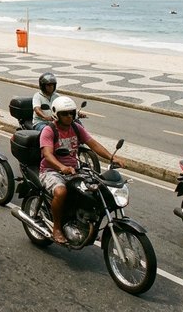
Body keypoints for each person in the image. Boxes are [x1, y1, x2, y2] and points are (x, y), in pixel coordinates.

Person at [39, 96, 124, 244]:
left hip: (73, 169)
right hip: (50, 170)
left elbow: (93, 144)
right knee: (61, 192)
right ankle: (57, 228)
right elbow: (47, 154)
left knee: (95, 189)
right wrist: (61, 167)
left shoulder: (76, 128)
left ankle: (85, 222)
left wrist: (111, 157)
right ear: (56, 115)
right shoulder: (49, 130)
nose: (69, 116)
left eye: (71, 113)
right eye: (65, 114)